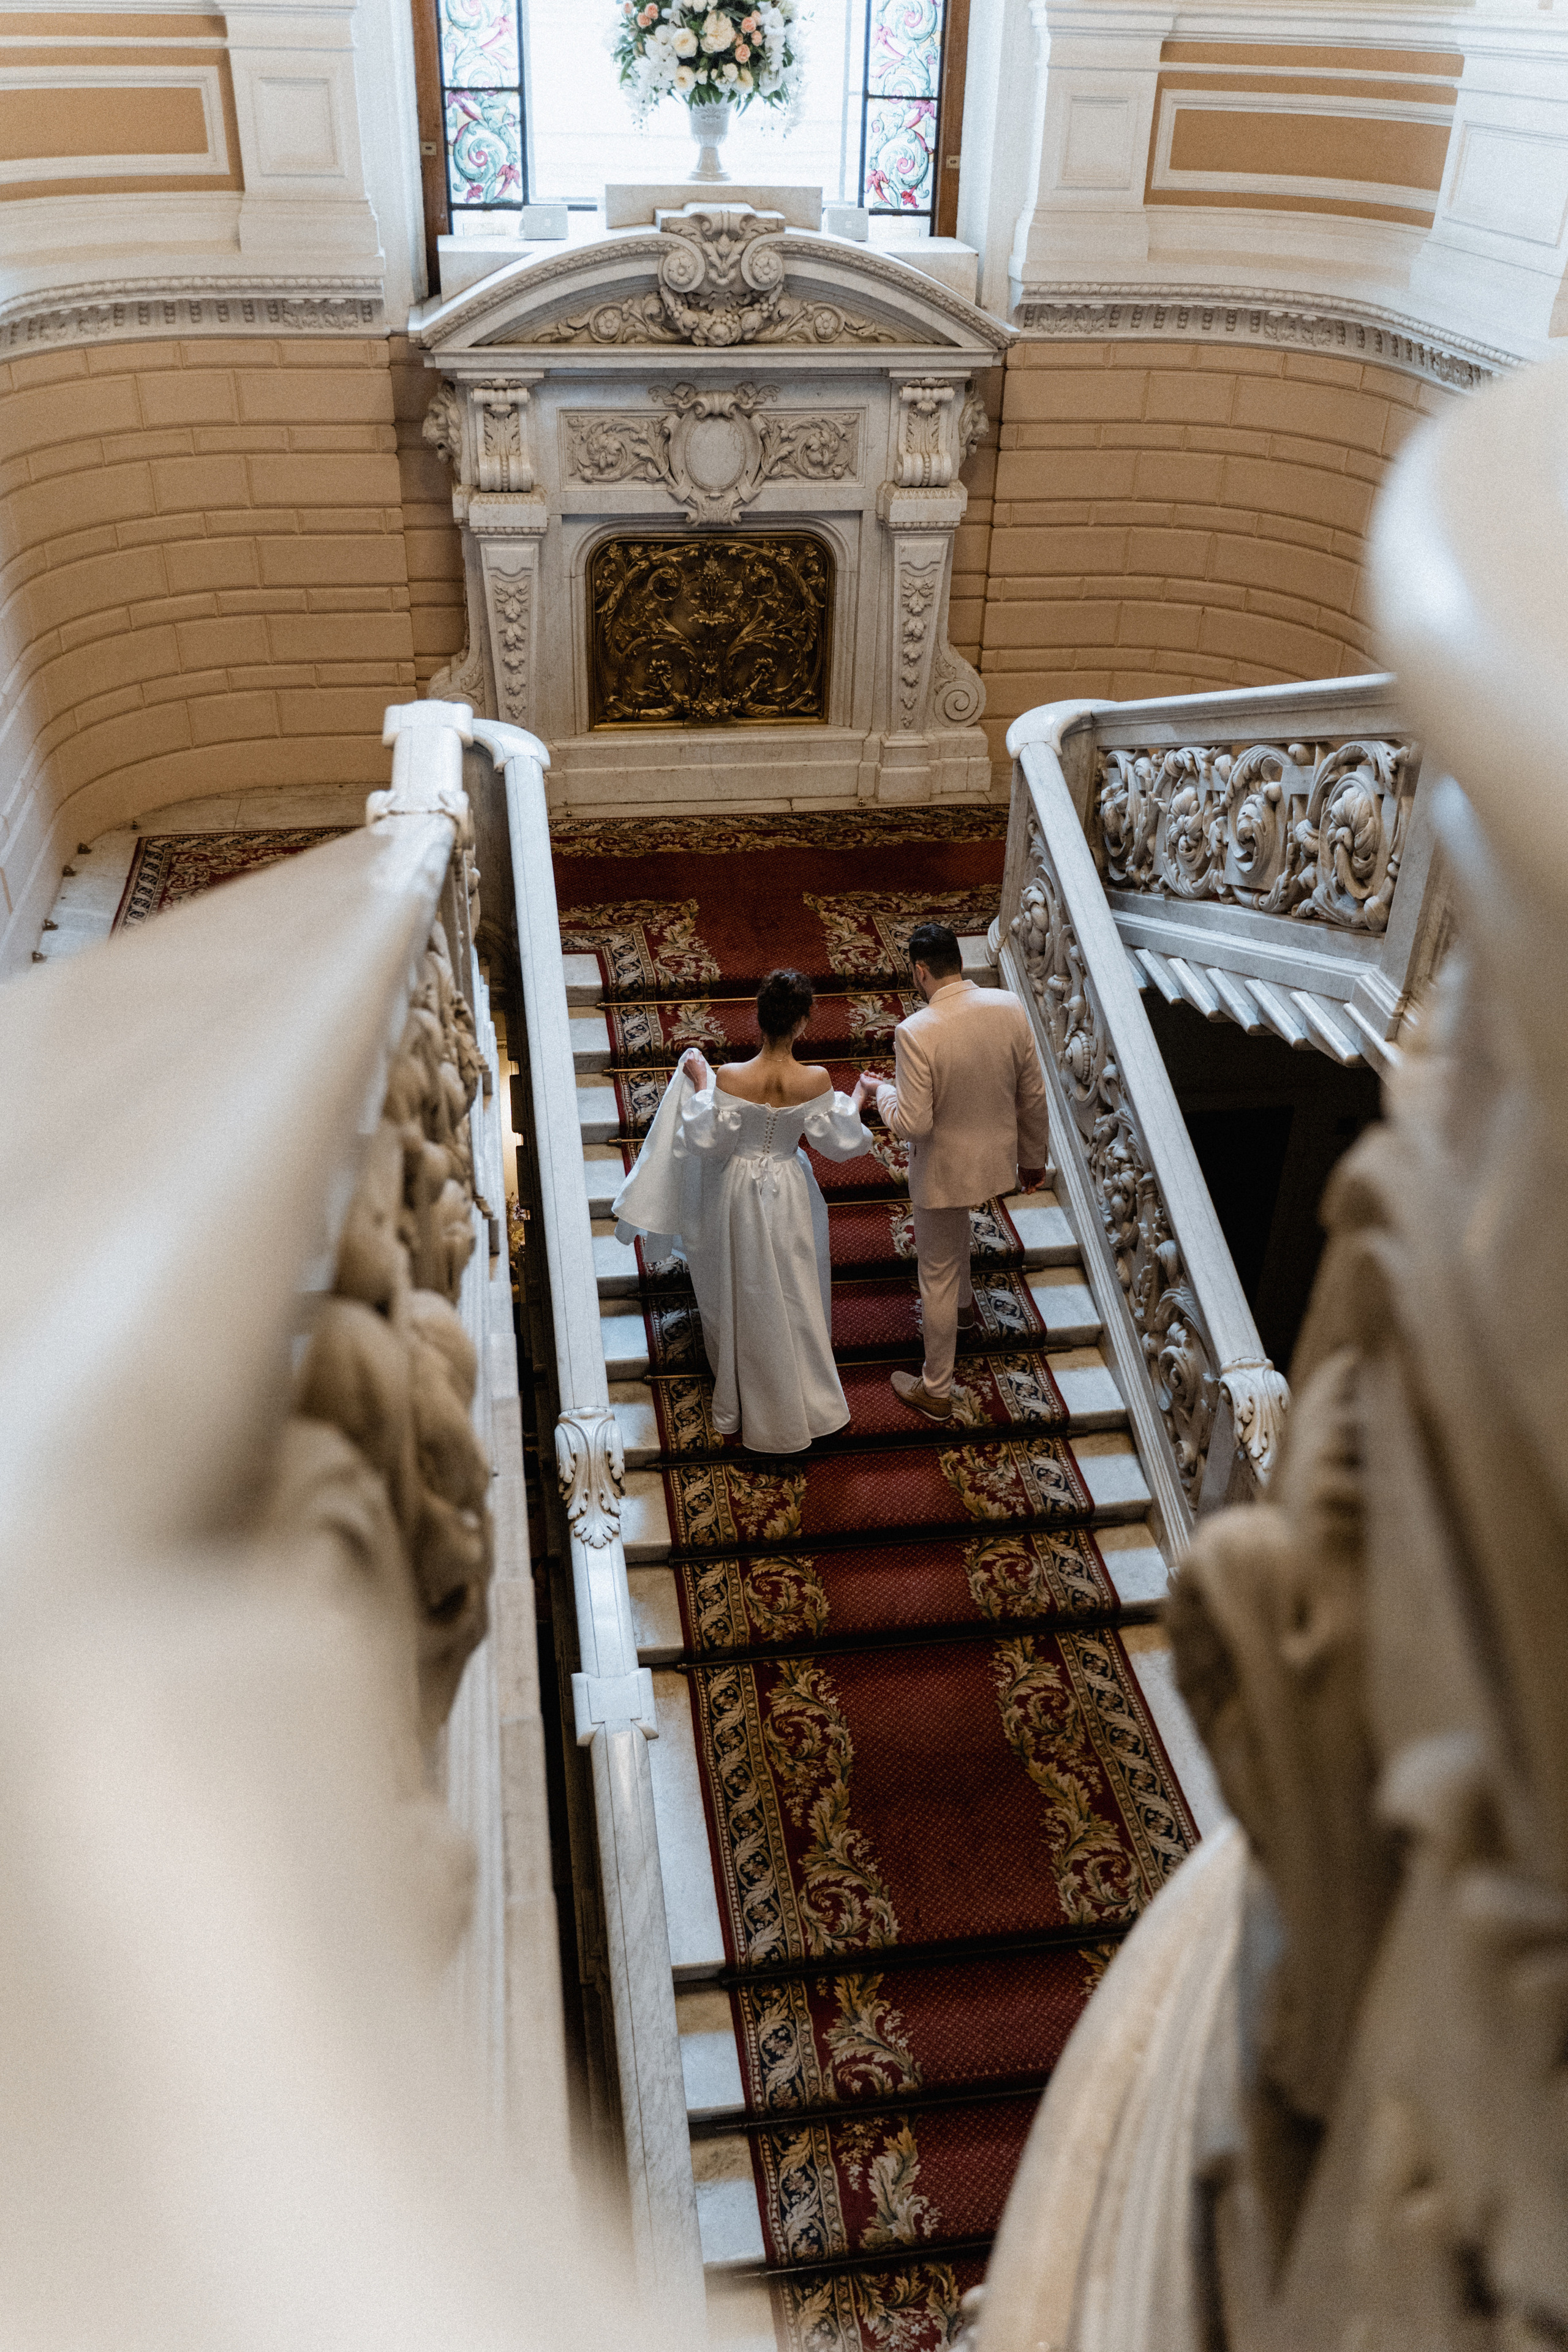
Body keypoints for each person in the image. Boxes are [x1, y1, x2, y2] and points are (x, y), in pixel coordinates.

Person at [612, 967, 873, 1455]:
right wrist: (858, 1096)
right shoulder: (814, 1079)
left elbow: (709, 1141)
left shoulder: (731, 1077)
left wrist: (702, 1077)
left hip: (735, 1193)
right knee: (796, 1288)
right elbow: (838, 1141)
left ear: (758, 1020)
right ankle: (809, 1399)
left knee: (741, 1287)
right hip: (791, 1191)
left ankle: (744, 1395)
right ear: (804, 1022)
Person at [860, 921, 1049, 1423]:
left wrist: (881, 1095)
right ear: (959, 962)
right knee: (954, 1244)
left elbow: (912, 1124)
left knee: (936, 1274)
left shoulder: (917, 1031)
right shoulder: (1008, 1005)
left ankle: (936, 1389)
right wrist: (1033, 1158)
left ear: (921, 971)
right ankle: (965, 1312)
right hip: (993, 1161)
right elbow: (1032, 1093)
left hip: (944, 1170)